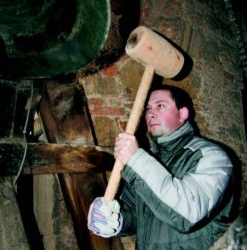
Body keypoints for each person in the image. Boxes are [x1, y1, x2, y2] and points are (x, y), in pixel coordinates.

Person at [88, 84, 235, 249]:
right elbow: (137, 215)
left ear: (182, 114)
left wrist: (136, 159)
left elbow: (188, 213)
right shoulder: (149, 162)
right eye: (148, 108)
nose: (151, 112)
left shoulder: (212, 156)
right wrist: (114, 219)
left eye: (160, 106)